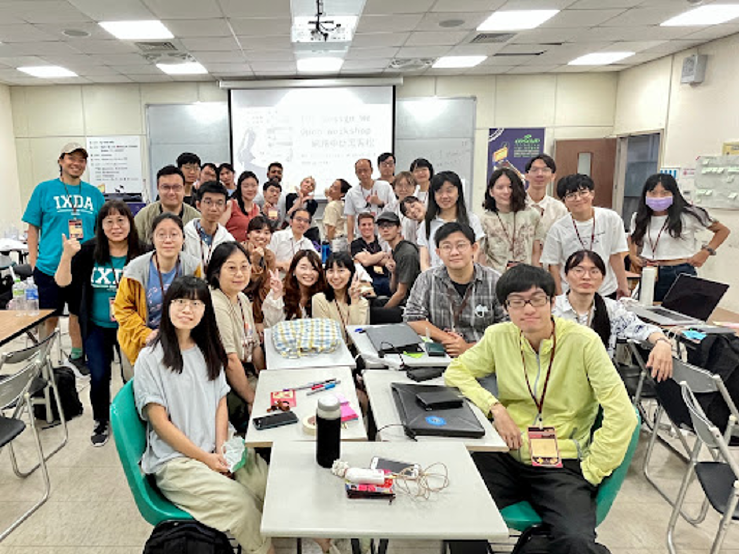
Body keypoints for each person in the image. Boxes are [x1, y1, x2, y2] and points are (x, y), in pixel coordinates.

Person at [445, 264, 637, 554]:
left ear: (552, 301)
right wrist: (495, 408)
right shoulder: (499, 336)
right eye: (516, 302)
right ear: (506, 307)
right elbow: (456, 372)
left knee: (576, 541)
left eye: (536, 299)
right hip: (506, 455)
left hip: (561, 462)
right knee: (456, 512)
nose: (528, 309)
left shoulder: (583, 342)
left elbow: (622, 413)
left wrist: (593, 470)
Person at [133, 276, 273, 554]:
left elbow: (220, 402)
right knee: (242, 505)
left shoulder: (206, 349)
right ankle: (265, 550)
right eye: (180, 302)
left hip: (220, 446)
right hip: (178, 461)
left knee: (268, 486)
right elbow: (160, 424)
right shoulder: (150, 358)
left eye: (195, 303)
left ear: (205, 309)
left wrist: (221, 448)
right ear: (167, 306)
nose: (187, 309)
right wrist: (207, 459)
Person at [54, 200, 143, 447]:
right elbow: (62, 282)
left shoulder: (142, 251)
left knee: (133, 376)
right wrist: (66, 255)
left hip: (131, 327)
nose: (116, 227)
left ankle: (136, 418)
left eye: (121, 220)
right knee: (100, 375)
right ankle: (101, 420)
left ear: (130, 223)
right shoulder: (88, 252)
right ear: (101, 226)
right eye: (109, 222)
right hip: (97, 326)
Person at [23, 142, 105, 373]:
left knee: (79, 314)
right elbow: (32, 227)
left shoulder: (93, 193)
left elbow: (102, 230)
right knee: (49, 316)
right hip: (50, 265)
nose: (76, 163)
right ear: (61, 161)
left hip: (84, 266)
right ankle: (42, 359)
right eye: (71, 158)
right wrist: (33, 260)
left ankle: (77, 356)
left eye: (81, 160)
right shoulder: (44, 189)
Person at [553, 250, 673, 381]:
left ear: (603, 278)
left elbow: (642, 328)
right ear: (565, 275)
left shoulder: (612, 309)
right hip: (558, 382)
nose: (586, 277)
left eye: (594, 271)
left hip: (598, 383)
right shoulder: (551, 308)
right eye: (578, 270)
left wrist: (662, 343)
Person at [405, 222, 506, 358]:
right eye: (447, 247)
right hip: (439, 354)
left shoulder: (495, 281)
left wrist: (468, 348)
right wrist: (448, 340)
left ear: (474, 248)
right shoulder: (427, 279)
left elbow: (508, 327)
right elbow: (412, 319)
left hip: (484, 355)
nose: (454, 252)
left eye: (461, 245)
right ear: (438, 253)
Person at [114, 213, 202, 365]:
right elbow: (122, 309)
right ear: (152, 238)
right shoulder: (135, 270)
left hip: (181, 342)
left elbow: (199, 303)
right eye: (161, 235)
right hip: (142, 343)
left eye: (174, 234)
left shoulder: (193, 267)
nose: (168, 240)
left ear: (183, 238)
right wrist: (146, 334)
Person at [629, 173, 730, 302]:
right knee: (647, 311)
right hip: (650, 271)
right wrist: (632, 255)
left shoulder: (689, 215)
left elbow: (722, 231)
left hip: (679, 270)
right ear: (645, 195)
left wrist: (706, 251)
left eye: (664, 193)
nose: (658, 197)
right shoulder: (639, 217)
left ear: (674, 194)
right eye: (653, 193)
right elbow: (633, 237)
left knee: (679, 314)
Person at [207, 242, 265, 433]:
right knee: (265, 410)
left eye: (244, 267)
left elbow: (255, 346)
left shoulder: (241, 298)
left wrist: (266, 378)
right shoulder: (216, 303)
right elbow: (230, 361)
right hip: (220, 382)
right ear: (216, 272)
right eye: (231, 268)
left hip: (244, 370)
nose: (239, 274)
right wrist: (251, 398)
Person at [542, 174, 630, 299]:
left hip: (605, 290)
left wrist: (623, 286)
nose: (578, 199)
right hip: (572, 292)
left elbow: (615, 255)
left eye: (583, 193)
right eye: (571, 195)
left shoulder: (611, 219)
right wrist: (560, 296)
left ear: (592, 194)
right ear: (564, 201)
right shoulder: (557, 229)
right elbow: (553, 266)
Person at [480, 167, 544, 273]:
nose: (506, 192)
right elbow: (481, 255)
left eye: (510, 187)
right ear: (491, 192)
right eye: (500, 187)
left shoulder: (532, 215)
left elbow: (536, 253)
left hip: (526, 279)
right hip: (496, 280)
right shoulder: (485, 220)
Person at [418, 170, 484, 271]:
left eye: (449, 191)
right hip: (435, 281)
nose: (444, 196)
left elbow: (475, 254)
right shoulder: (427, 224)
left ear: (458, 193)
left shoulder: (472, 220)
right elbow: (424, 261)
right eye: (439, 192)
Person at [371, 212, 420, 324]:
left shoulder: (407, 253)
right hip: (403, 301)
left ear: (399, 228)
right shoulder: (395, 251)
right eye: (382, 226)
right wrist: (393, 273)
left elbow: (401, 294)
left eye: (389, 226)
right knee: (370, 303)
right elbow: (393, 290)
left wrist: (382, 313)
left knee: (369, 314)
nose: (385, 229)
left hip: (412, 307)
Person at [134, 165, 200, 245]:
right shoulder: (144, 216)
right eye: (166, 187)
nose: (171, 192)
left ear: (183, 188)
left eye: (176, 187)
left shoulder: (196, 219)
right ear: (158, 188)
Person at [312, 252, 369, 341]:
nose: (335, 276)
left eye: (341, 270)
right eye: (330, 271)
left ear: (351, 273)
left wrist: (354, 302)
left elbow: (358, 336)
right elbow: (326, 337)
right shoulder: (319, 299)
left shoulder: (362, 303)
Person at [262, 250, 327, 326]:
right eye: (303, 268)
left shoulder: (323, 296)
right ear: (294, 271)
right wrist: (277, 295)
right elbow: (271, 324)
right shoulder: (280, 290)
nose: (308, 273)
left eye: (314, 269)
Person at [183, 181, 234, 271]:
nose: (213, 208)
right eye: (208, 202)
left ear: (225, 208)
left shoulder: (228, 239)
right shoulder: (185, 235)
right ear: (198, 205)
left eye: (219, 203)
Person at [345, 158, 395, 243]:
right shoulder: (351, 193)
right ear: (356, 173)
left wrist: (380, 203)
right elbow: (350, 218)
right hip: (363, 236)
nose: (363, 174)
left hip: (384, 234)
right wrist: (350, 240)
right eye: (359, 171)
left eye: (365, 170)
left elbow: (394, 208)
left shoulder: (385, 186)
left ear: (371, 170)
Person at [242, 216, 277, 332]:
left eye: (266, 233)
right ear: (248, 234)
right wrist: (254, 261)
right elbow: (243, 284)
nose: (262, 236)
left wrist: (258, 319)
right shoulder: (238, 251)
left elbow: (266, 289)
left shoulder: (269, 256)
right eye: (257, 232)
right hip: (239, 304)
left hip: (259, 308)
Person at [351, 212, 392, 297]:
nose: (367, 227)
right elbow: (366, 261)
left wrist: (371, 258)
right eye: (363, 225)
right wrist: (382, 253)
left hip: (387, 278)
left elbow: (390, 259)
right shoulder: (356, 244)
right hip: (367, 281)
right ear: (359, 227)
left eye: (369, 224)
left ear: (374, 226)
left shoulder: (383, 241)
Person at [525, 154, 568, 234]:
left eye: (545, 170)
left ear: (553, 176)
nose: (539, 174)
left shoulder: (558, 209)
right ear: (526, 176)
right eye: (534, 170)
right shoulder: (514, 203)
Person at [269, 209, 318, 274]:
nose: (302, 223)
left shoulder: (307, 243)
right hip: (277, 277)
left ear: (309, 226)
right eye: (299, 219)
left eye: (306, 221)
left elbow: (317, 261)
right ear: (291, 222)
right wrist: (283, 264)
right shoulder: (277, 236)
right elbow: (266, 261)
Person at [221, 171, 261, 243]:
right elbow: (219, 228)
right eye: (246, 186)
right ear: (239, 188)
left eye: (253, 186)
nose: (250, 189)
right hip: (231, 249)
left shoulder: (256, 208)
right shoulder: (231, 204)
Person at [285, 176, 320, 244]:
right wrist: (300, 199)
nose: (308, 185)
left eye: (312, 185)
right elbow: (290, 212)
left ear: (312, 189)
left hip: (309, 230)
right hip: (292, 227)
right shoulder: (290, 196)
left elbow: (305, 216)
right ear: (301, 184)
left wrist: (304, 200)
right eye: (307, 182)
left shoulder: (313, 203)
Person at [388, 171, 420, 243]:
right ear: (394, 189)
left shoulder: (419, 208)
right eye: (400, 185)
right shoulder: (389, 209)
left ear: (414, 188)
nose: (403, 189)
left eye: (408, 185)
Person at [323, 178, 352, 253]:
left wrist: (329, 243)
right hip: (342, 239)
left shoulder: (331, 206)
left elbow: (331, 227)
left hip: (334, 241)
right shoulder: (342, 203)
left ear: (342, 194)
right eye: (331, 186)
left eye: (335, 188)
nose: (331, 189)